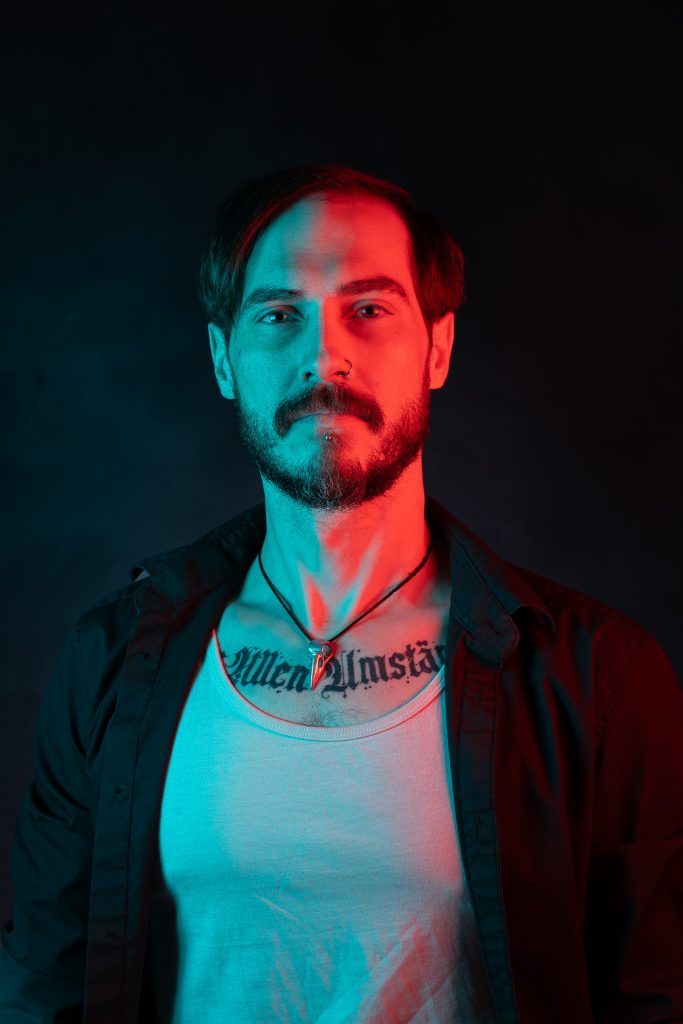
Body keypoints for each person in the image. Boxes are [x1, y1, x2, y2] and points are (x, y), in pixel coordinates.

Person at [1, 163, 681, 1024]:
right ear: (223, 360)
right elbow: (43, 990)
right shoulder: (112, 658)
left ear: (437, 347)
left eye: (368, 308)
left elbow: (652, 998)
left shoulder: (598, 679)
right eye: (278, 315)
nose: (323, 355)